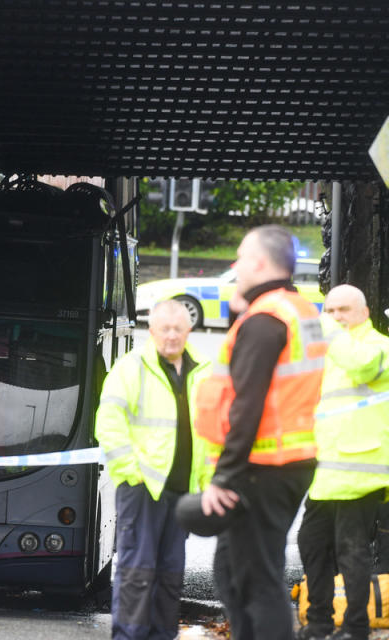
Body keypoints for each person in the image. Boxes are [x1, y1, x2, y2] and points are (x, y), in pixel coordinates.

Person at [196, 224, 328, 640]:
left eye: (240, 256)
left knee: (257, 580)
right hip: (286, 462)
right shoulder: (298, 309)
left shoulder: (267, 319)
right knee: (233, 572)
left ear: (257, 262)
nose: (235, 264)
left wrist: (225, 476)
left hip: (262, 467)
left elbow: (246, 403)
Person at [95, 298, 211, 640]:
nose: (172, 336)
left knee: (171, 573)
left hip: (183, 491)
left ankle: (163, 635)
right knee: (137, 570)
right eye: (165, 329)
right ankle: (128, 636)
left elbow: (212, 431)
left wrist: (208, 482)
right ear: (152, 330)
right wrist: (132, 472)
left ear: (189, 330)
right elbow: (109, 424)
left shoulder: (203, 370)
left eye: (178, 329)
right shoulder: (132, 368)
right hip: (142, 486)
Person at [296, 285, 389, 640]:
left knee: (351, 553)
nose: (335, 318)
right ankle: (318, 621)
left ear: (364, 312)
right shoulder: (332, 352)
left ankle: (356, 627)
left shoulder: (378, 347)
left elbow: (362, 366)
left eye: (343, 310)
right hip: (327, 471)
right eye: (330, 310)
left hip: (360, 472)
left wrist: (328, 331)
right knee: (312, 544)